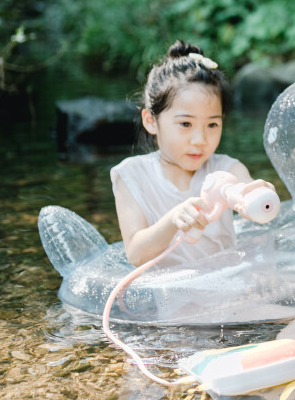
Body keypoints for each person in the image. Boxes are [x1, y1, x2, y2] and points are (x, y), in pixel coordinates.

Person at [111, 40, 274, 267]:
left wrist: (257, 196)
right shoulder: (131, 176)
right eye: (186, 124)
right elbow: (136, 254)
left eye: (212, 125)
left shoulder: (227, 169)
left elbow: (245, 194)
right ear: (151, 121)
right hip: (173, 297)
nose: (200, 140)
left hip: (229, 288)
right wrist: (172, 220)